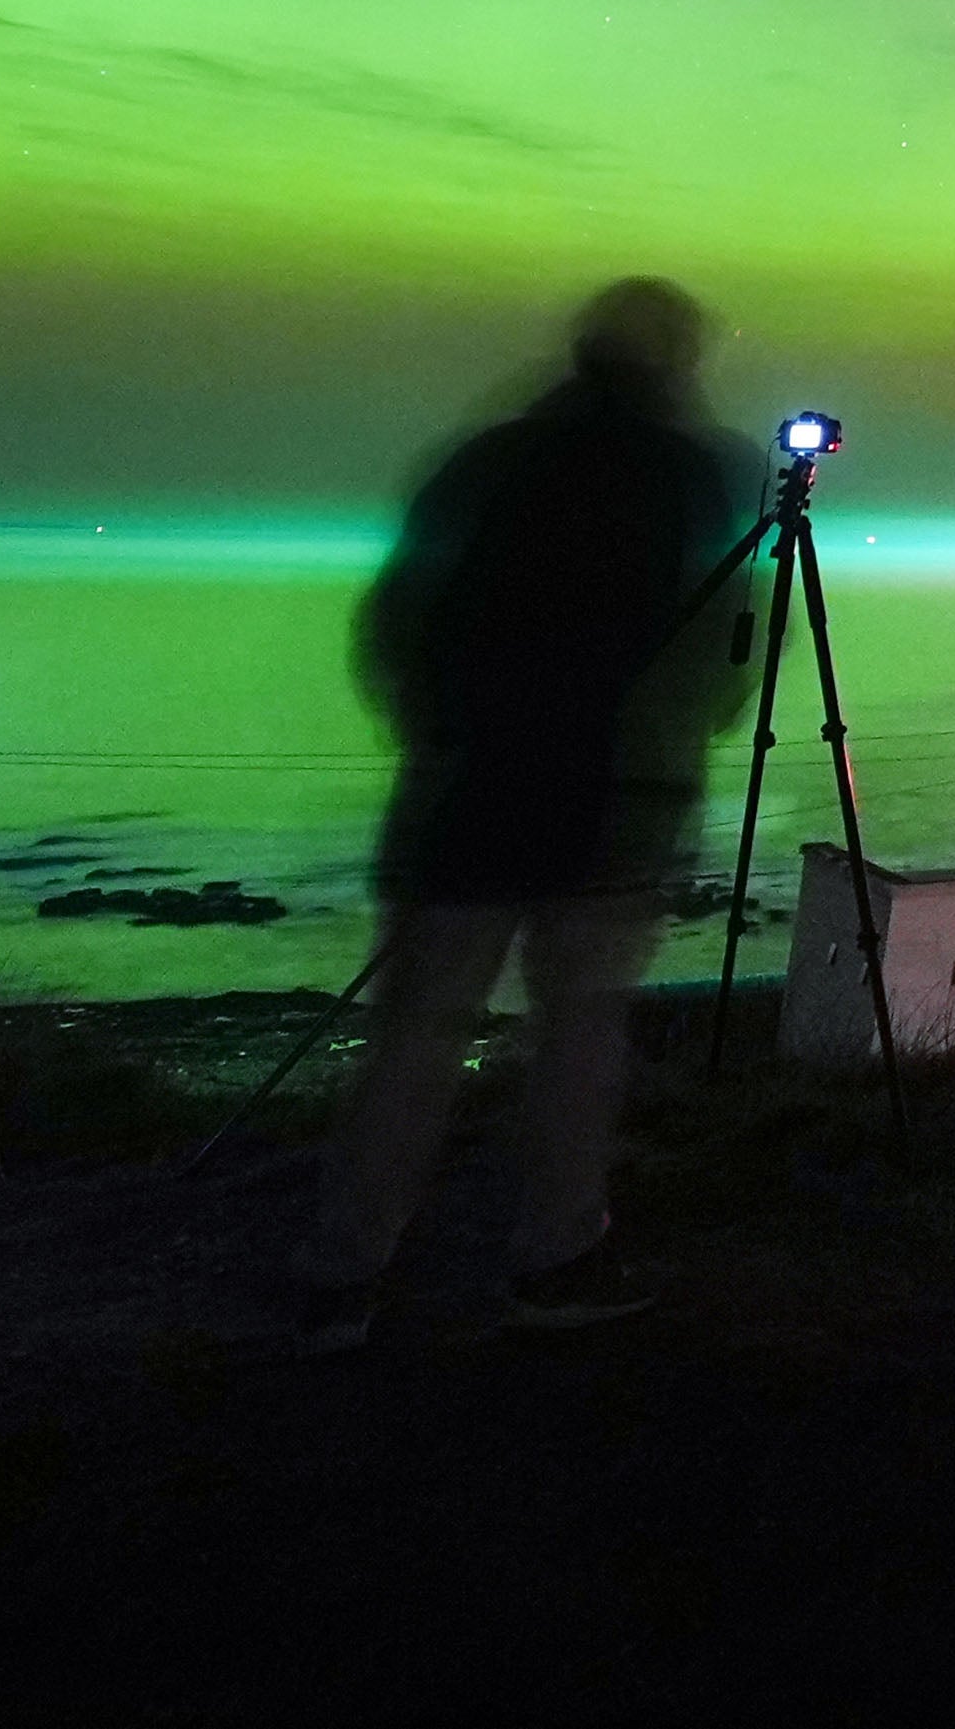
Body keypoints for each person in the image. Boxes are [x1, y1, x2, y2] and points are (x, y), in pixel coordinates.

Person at [290, 277, 759, 1354]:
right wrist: (666, 752)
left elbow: (394, 620)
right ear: (678, 361)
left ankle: (343, 1276)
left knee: (412, 1038)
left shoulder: (485, 461)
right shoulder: (691, 475)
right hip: (612, 807)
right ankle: (555, 1258)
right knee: (579, 1038)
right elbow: (726, 649)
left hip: (461, 796)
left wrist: (436, 734)